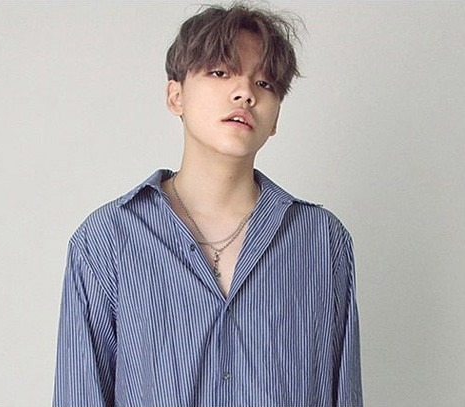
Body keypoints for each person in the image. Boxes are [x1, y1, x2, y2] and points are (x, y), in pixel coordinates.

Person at [53, 2, 363, 407]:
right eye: (221, 72)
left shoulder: (322, 241)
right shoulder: (106, 241)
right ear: (175, 96)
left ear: (275, 119)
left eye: (264, 83)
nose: (245, 93)